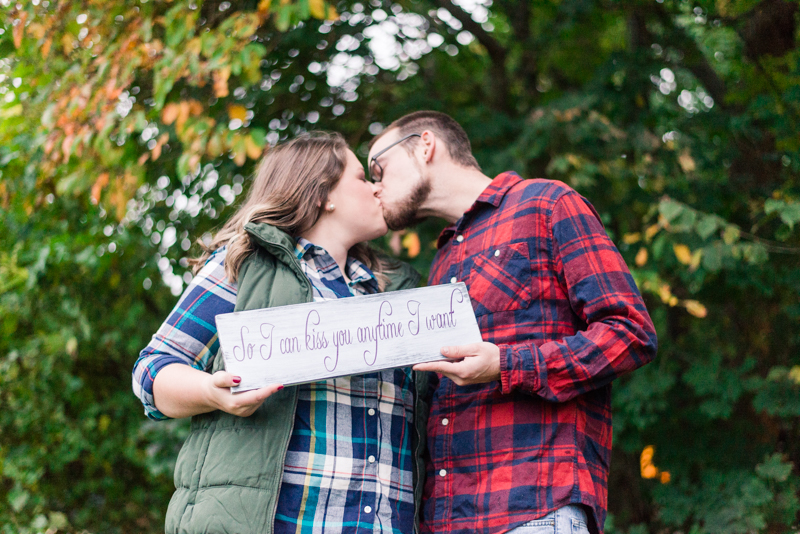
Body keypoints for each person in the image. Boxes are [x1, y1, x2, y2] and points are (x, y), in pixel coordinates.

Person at [367, 111, 658, 534]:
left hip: (533, 509)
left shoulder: (547, 204)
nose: (375, 186)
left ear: (425, 145)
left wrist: (506, 365)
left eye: (379, 168)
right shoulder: (442, 260)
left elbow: (630, 332)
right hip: (449, 520)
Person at [132, 132, 431, 534]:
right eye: (362, 178)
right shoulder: (247, 265)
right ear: (325, 193)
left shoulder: (397, 295)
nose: (377, 188)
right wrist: (211, 392)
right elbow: (152, 371)